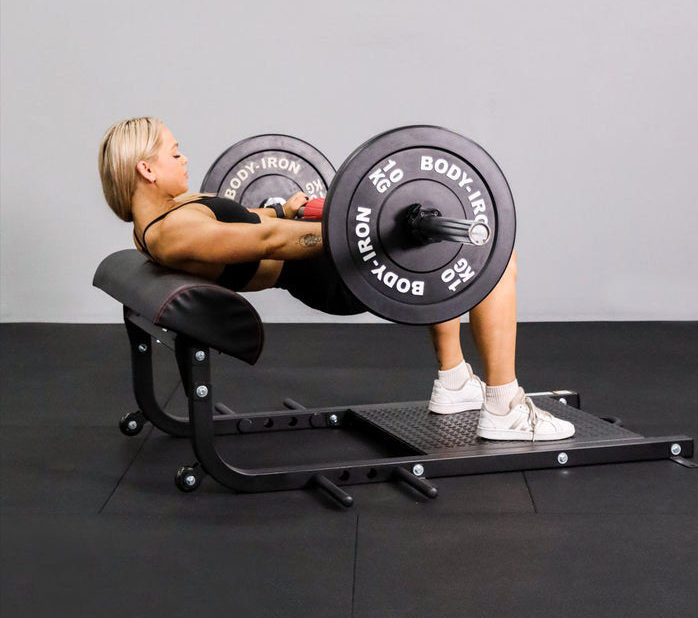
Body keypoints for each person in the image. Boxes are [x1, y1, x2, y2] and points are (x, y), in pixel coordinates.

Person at [99, 117, 574, 441]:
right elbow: (268, 244)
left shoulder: (171, 214)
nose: (183, 159)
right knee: (490, 256)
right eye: (174, 153)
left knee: (449, 254)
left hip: (323, 261)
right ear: (146, 169)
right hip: (331, 277)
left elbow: (253, 224)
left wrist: (282, 208)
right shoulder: (173, 233)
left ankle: (453, 382)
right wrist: (361, 228)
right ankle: (504, 406)